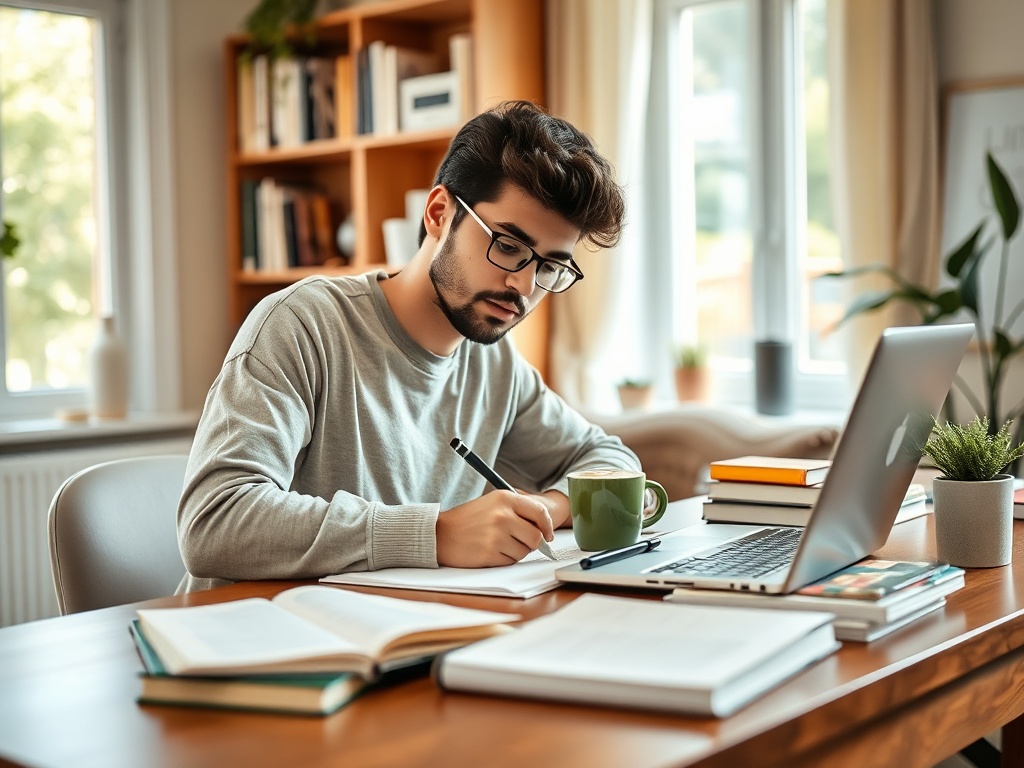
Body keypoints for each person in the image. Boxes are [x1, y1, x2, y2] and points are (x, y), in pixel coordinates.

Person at [177, 100, 641, 593]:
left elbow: (610, 459)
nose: (524, 286)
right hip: (255, 644)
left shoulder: (491, 359)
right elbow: (215, 521)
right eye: (508, 246)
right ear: (440, 213)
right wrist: (434, 535)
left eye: (549, 266)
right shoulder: (303, 323)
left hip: (398, 634)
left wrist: (545, 509)